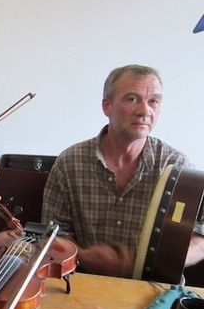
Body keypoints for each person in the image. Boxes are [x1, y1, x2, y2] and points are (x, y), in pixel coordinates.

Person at [41, 64, 204, 277]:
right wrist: (84, 256)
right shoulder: (69, 163)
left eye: (153, 101)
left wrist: (152, 262)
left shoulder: (177, 167)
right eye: (132, 99)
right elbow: (52, 234)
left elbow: (202, 236)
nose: (144, 111)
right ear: (107, 106)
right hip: (84, 281)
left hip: (151, 286)